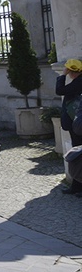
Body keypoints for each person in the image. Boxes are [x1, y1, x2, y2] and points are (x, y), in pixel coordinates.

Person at [57, 58, 82, 195]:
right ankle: (77, 186)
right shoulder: (77, 81)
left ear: (72, 71)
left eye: (68, 70)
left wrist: (62, 75)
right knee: (78, 155)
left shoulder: (79, 83)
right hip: (76, 123)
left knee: (78, 155)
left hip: (78, 124)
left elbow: (59, 90)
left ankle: (78, 186)